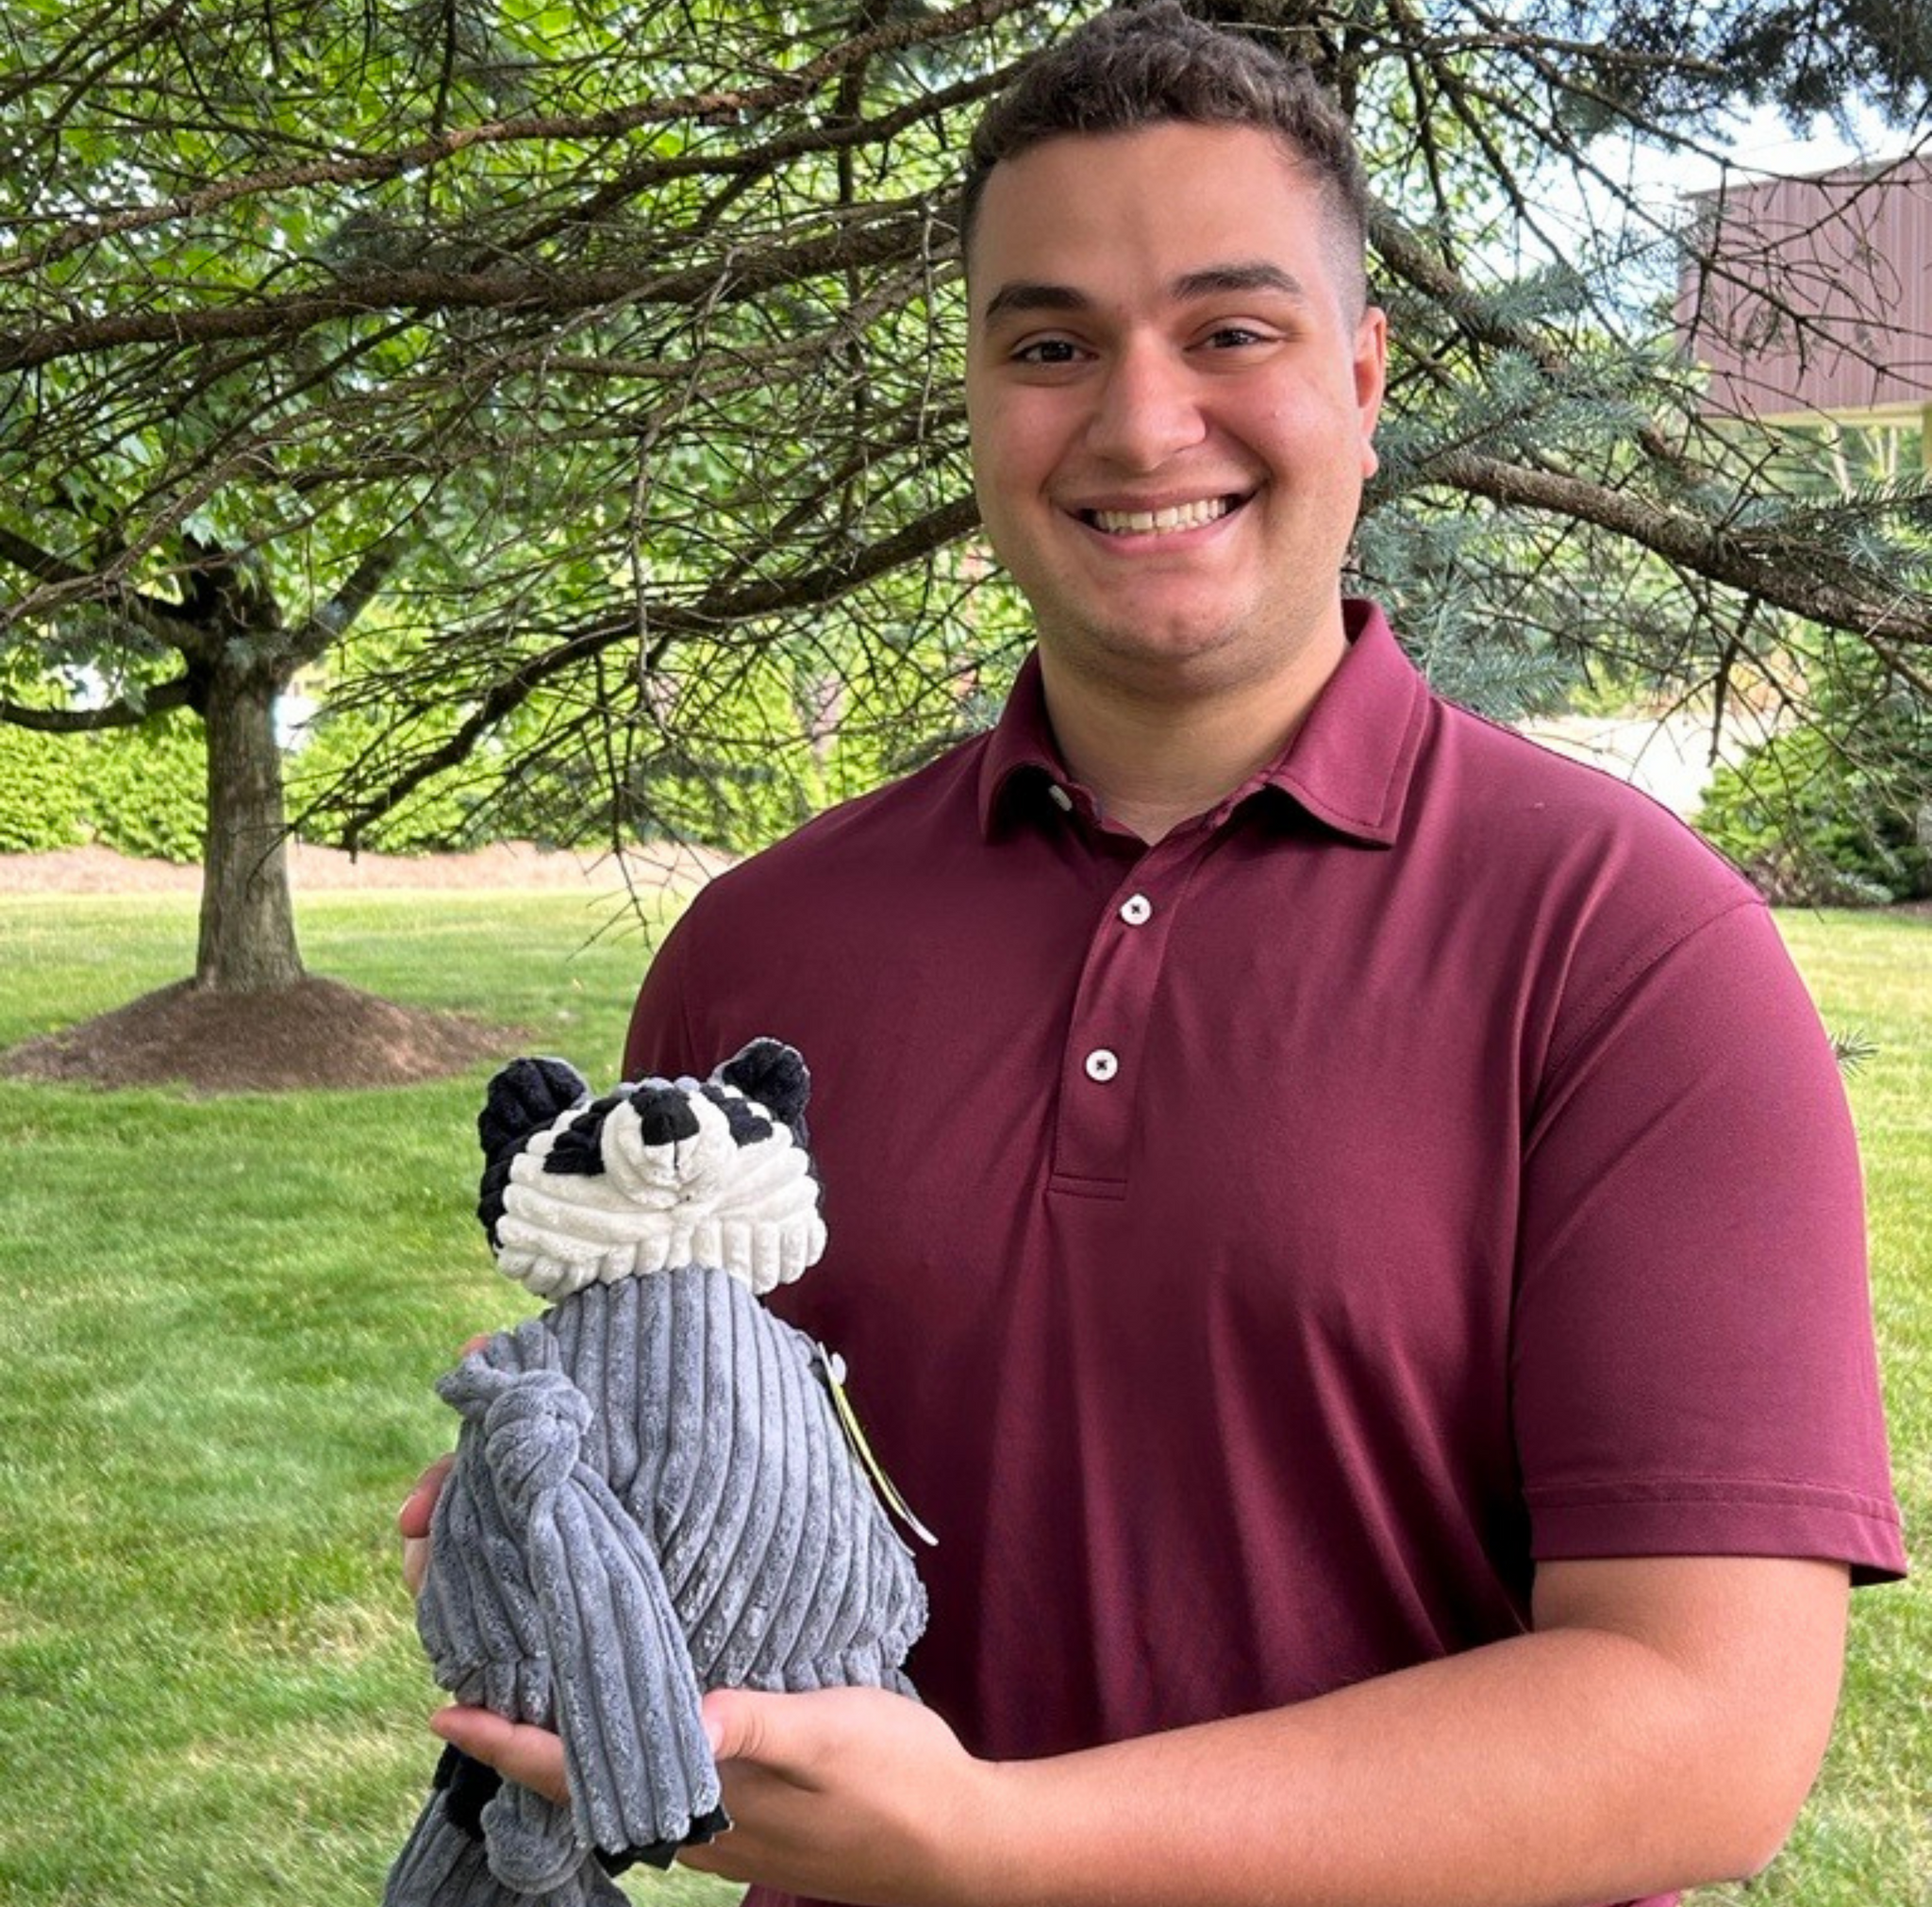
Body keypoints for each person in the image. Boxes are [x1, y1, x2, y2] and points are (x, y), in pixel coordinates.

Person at [403, 6, 1907, 1903]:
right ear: (974, 397)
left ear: (1362, 379)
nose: (1137, 419)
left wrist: (995, 1840)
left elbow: (1703, 1734)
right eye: (1049, 345)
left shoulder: (1629, 946)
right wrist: (566, 1520)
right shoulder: (756, 955)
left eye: (1230, 331)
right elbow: (728, 1500)